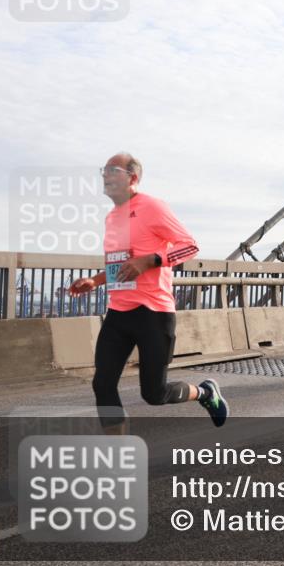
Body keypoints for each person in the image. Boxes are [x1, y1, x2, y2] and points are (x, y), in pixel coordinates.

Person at [68, 153, 228, 432]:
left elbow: (189, 246)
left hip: (154, 313)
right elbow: (122, 265)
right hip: (119, 313)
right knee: (102, 384)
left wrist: (149, 261)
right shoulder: (112, 217)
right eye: (104, 170)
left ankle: (205, 392)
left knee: (154, 394)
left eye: (112, 169)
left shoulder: (152, 207)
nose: (105, 175)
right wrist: (95, 281)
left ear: (132, 178)